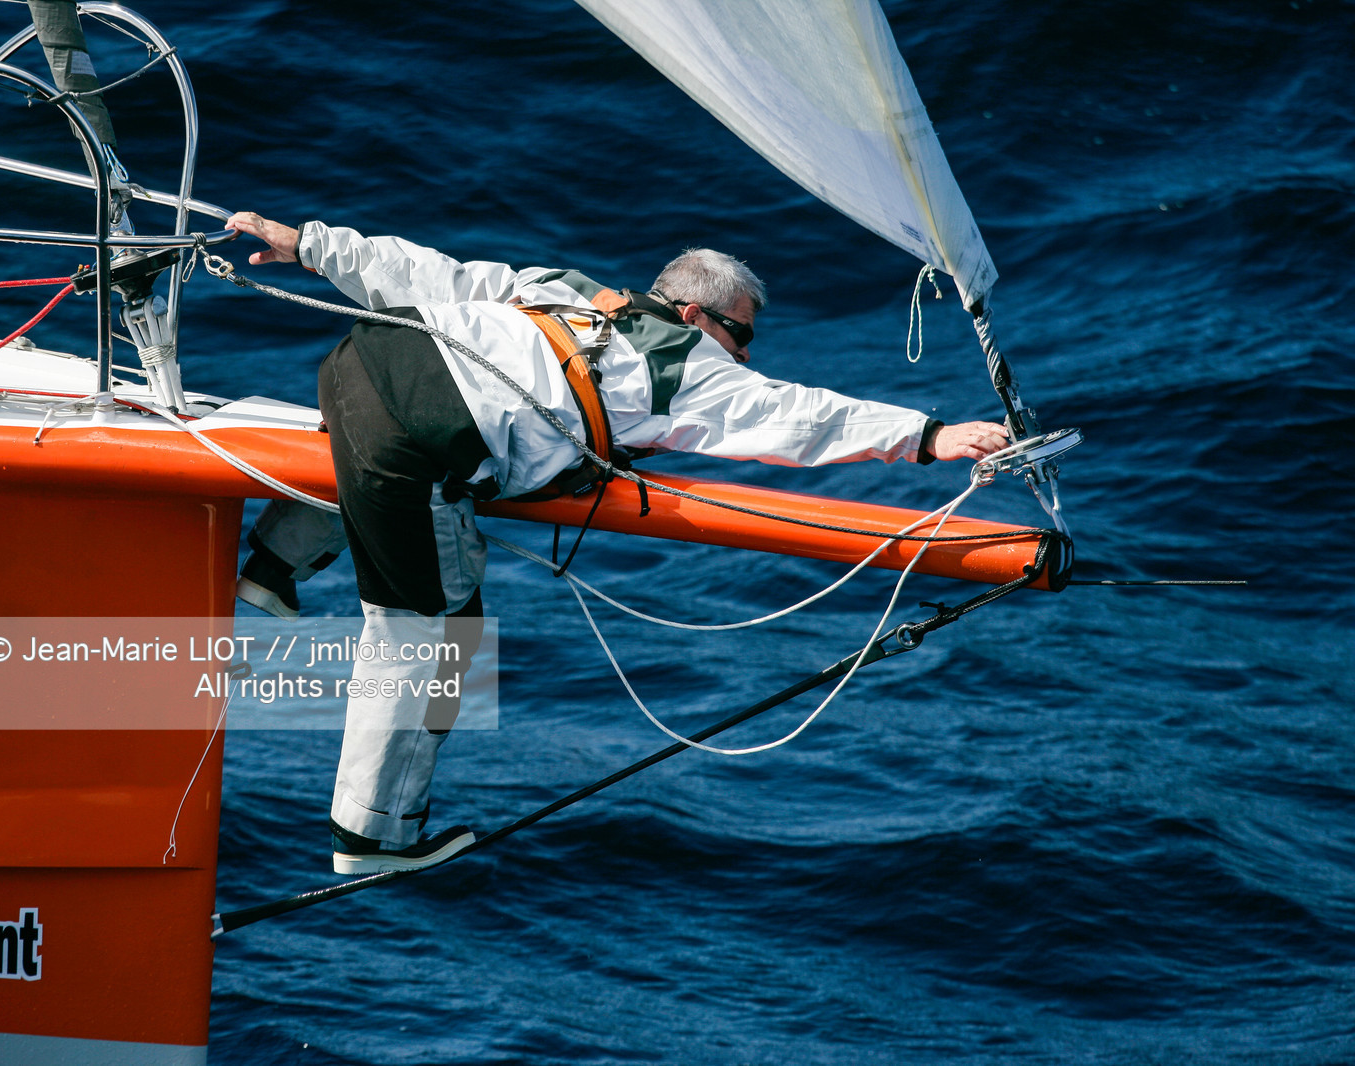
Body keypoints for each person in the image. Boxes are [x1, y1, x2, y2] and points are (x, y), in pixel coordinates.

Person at [224, 212, 1011, 876]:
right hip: (422, 437)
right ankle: (374, 836)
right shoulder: (688, 365)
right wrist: (929, 436)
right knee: (432, 635)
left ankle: (271, 565)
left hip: (358, 361)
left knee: (395, 482)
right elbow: (802, 418)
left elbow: (439, 278)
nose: (746, 355)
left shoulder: (570, 290)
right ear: (699, 317)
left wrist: (315, 245)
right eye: (742, 335)